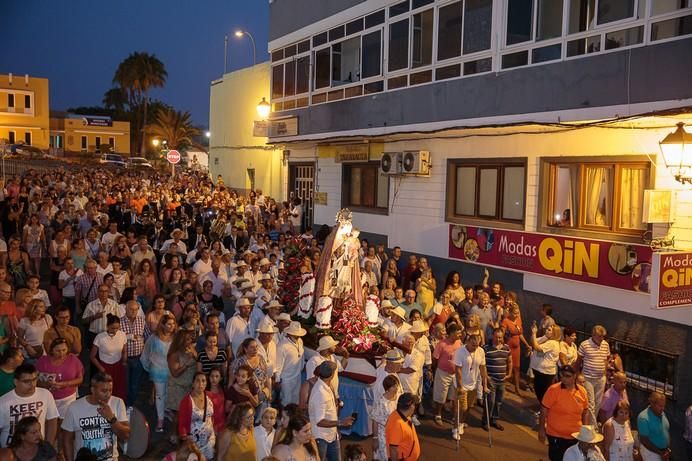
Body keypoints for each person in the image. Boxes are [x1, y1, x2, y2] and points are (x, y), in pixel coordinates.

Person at [61, 372, 130, 461]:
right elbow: (67, 439)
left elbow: (126, 435)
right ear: (93, 390)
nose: (108, 394)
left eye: (110, 390)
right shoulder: (74, 407)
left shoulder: (117, 403)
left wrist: (112, 419)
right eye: (104, 391)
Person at [0, 363, 59, 448]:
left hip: (38, 448)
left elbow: (52, 420)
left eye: (34, 379)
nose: (32, 384)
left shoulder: (45, 394)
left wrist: (48, 446)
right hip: (11, 450)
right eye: (26, 381)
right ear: (16, 382)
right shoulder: (3, 402)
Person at [538, 365, 589, 461]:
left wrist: (585, 429)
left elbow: (585, 411)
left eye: (567, 376)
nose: (564, 378)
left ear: (574, 376)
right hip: (556, 436)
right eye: (562, 375)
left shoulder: (582, 392)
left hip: (575, 436)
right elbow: (544, 409)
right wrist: (541, 429)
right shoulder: (553, 390)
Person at [308, 361, 354, 461]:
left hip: (332, 435)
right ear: (332, 374)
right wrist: (341, 422)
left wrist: (336, 429)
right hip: (321, 437)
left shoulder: (326, 387)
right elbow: (320, 422)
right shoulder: (320, 393)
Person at [140, 313, 176, 433]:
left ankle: (165, 410)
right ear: (163, 325)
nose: (172, 326)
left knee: (168, 393)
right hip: (157, 371)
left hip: (171, 371)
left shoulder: (175, 338)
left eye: (173, 324)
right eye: (169, 324)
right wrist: (148, 367)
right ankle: (160, 421)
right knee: (160, 395)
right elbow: (145, 352)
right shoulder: (154, 338)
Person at [35, 338, 84, 419]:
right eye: (58, 351)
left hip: (68, 398)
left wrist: (63, 384)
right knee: (50, 422)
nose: (61, 353)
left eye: (64, 350)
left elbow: (80, 379)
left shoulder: (73, 360)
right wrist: (45, 384)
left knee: (64, 422)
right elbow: (35, 379)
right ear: (51, 350)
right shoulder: (43, 361)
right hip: (48, 397)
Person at [453, 334, 487, 441]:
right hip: (461, 385)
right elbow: (458, 370)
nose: (475, 347)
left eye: (477, 345)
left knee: (468, 407)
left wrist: (484, 385)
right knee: (461, 408)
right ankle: (455, 428)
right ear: (468, 342)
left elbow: (482, 368)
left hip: (473, 384)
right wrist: (459, 387)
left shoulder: (480, 351)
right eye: (473, 345)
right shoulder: (460, 352)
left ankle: (461, 423)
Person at [577, 325, 611, 426]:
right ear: (593, 335)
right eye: (599, 336)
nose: (601, 339)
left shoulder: (605, 345)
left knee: (598, 403)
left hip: (601, 378)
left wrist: (604, 373)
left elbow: (607, 358)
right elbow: (578, 361)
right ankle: (593, 427)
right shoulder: (585, 345)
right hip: (588, 378)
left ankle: (589, 424)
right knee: (590, 403)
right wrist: (578, 375)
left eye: (603, 337)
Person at [178, 372, 215, 461]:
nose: (201, 384)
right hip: (194, 443)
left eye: (203, 381)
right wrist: (185, 438)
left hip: (209, 440)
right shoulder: (187, 401)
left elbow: (212, 416)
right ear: (193, 383)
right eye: (197, 381)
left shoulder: (209, 396)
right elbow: (182, 423)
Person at [89, 315, 127, 401]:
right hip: (105, 367)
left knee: (120, 389)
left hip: (118, 366)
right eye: (112, 328)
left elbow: (124, 350)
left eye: (117, 328)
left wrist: (124, 361)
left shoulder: (122, 335)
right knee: (105, 390)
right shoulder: (100, 337)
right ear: (107, 326)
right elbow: (92, 356)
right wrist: (101, 368)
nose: (115, 330)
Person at [432, 323, 461, 425]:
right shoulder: (441, 344)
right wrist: (435, 370)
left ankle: (454, 417)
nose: (460, 335)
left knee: (453, 396)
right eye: (458, 333)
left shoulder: (459, 342)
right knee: (441, 395)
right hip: (443, 373)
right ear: (452, 333)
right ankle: (438, 414)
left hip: (455, 374)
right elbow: (435, 358)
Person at [483, 327, 512, 431]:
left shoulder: (507, 348)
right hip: (491, 380)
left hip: (502, 380)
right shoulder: (486, 348)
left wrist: (509, 374)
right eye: (496, 337)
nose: (498, 339)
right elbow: (483, 364)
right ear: (493, 336)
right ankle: (485, 421)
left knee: (499, 401)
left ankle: (494, 420)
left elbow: (509, 361)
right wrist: (486, 376)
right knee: (490, 401)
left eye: (500, 337)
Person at [304, 336, 348, 401]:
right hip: (321, 397)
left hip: (334, 395)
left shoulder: (332, 357)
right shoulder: (314, 361)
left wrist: (346, 356)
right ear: (327, 347)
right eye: (333, 345)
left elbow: (341, 368)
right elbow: (311, 381)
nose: (335, 347)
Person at [119, 300, 145, 406]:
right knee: (125, 382)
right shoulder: (119, 322)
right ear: (126, 309)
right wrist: (129, 336)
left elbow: (147, 336)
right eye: (131, 309)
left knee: (135, 383)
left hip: (138, 357)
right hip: (124, 358)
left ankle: (132, 403)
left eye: (136, 309)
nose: (134, 311)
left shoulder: (142, 321)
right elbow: (115, 337)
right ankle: (124, 403)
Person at [369, 375, 400, 461]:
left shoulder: (398, 398)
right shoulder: (381, 402)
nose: (396, 388)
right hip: (383, 435)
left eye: (397, 385)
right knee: (385, 456)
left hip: (396, 433)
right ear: (387, 388)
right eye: (393, 386)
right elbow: (375, 420)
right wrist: (375, 439)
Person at [275, 322, 306, 406]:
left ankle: (293, 419)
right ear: (289, 333)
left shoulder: (300, 341)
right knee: (286, 402)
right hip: (286, 379)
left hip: (297, 376)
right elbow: (278, 365)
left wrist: (302, 365)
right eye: (295, 334)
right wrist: (277, 381)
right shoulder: (282, 346)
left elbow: (301, 355)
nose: (298, 336)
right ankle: (284, 418)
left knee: (296, 400)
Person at [530, 324, 562, 404]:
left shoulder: (553, 343)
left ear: (554, 333)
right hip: (539, 370)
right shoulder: (546, 339)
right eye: (547, 329)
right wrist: (536, 335)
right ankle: (542, 409)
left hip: (545, 372)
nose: (547, 330)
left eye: (549, 330)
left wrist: (534, 333)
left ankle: (544, 411)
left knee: (543, 393)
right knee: (538, 391)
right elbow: (533, 342)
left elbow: (537, 348)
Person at [384, 393, 420, 461]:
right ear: (411, 406)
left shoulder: (401, 414)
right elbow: (393, 449)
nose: (415, 407)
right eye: (414, 405)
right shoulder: (397, 425)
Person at [636, 392, 671, 461]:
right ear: (652, 404)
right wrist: (660, 453)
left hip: (664, 452)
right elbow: (644, 440)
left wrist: (667, 449)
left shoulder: (662, 413)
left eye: (664, 406)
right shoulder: (643, 418)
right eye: (660, 406)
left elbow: (665, 431)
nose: (663, 408)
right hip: (651, 453)